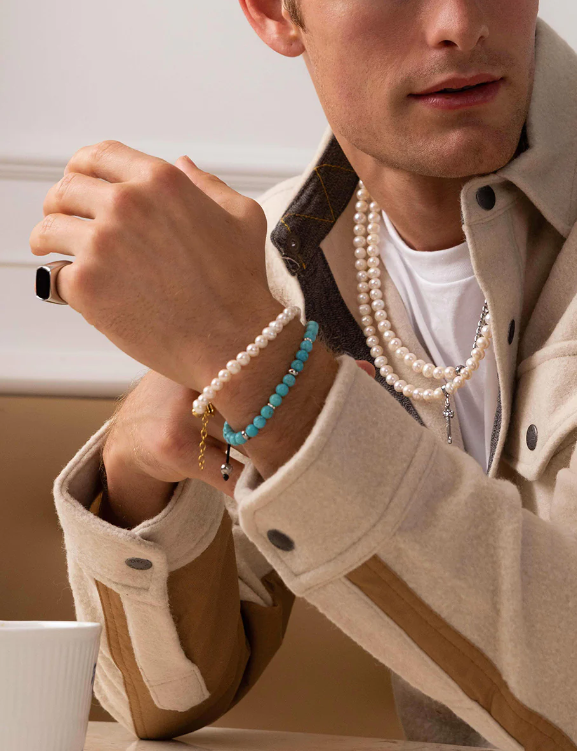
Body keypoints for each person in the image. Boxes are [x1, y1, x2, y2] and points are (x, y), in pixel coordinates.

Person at [31, 1, 577, 747]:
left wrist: (273, 380)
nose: (458, 21)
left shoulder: (249, 318)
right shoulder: (274, 259)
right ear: (273, 13)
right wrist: (135, 468)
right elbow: (164, 702)